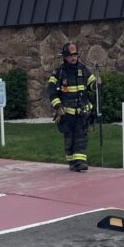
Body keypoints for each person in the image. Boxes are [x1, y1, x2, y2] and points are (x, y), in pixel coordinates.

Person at [47, 42, 96, 171]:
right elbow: (51, 91)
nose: (73, 58)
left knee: (81, 137)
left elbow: (91, 83)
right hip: (66, 114)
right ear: (65, 57)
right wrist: (57, 106)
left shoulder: (83, 69)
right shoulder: (59, 72)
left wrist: (96, 85)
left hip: (81, 112)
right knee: (69, 139)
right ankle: (72, 162)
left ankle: (80, 162)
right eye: (70, 55)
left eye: (75, 55)